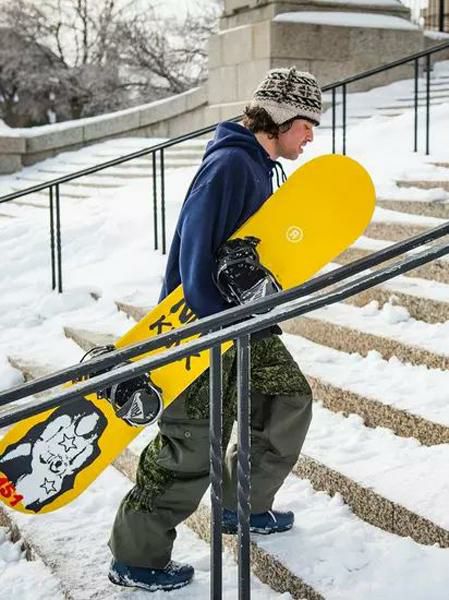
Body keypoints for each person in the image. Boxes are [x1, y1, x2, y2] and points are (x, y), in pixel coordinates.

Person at [108, 66, 322, 592]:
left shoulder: (258, 166)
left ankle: (239, 505)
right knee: (191, 443)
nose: (310, 137)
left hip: (242, 321)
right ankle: (136, 556)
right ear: (280, 118)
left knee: (287, 398)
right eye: (306, 125)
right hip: (202, 328)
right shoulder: (230, 165)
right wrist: (214, 320)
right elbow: (193, 252)